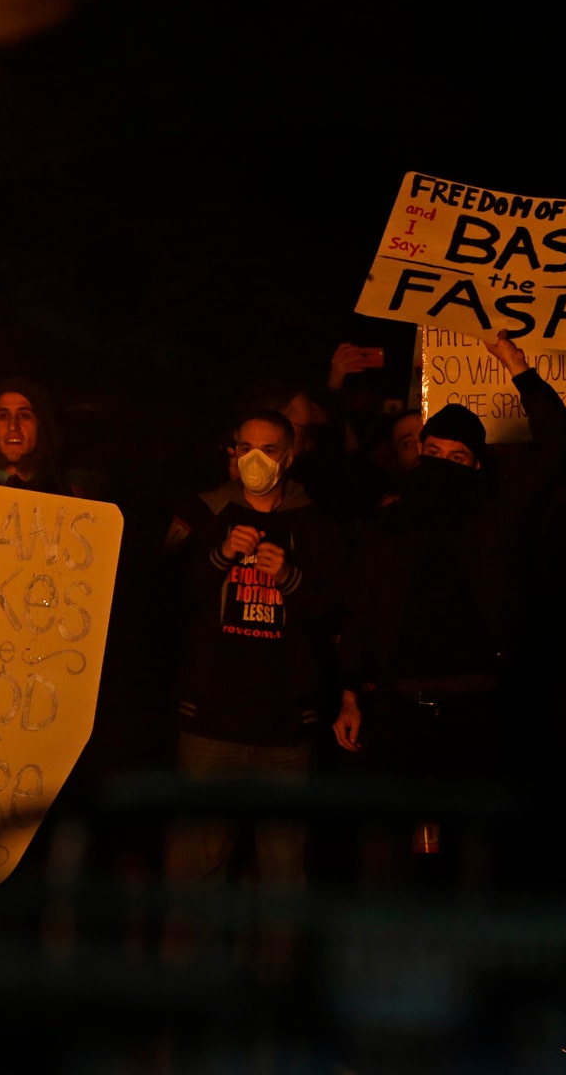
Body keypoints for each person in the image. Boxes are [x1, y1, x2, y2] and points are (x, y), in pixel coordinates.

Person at [332, 330, 566, 786]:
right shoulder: (388, 524)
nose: (443, 465)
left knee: (477, 836)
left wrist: (514, 363)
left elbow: (558, 439)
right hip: (396, 705)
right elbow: (361, 609)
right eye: (434, 453)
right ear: (419, 454)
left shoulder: (493, 516)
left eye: (457, 457)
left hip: (480, 707)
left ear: (476, 467)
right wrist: (349, 695)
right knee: (388, 837)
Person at [163, 411, 342, 968]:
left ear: (290, 456)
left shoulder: (318, 524)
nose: (255, 460)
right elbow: (160, 594)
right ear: (230, 452)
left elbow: (339, 612)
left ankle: (275, 995)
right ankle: (189, 991)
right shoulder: (202, 511)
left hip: (285, 728)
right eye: (244, 447)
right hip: (210, 721)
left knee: (284, 873)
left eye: (268, 449)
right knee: (196, 866)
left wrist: (290, 578)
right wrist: (217, 554)